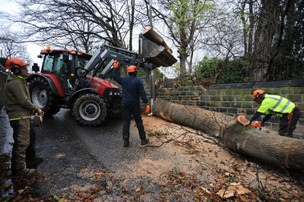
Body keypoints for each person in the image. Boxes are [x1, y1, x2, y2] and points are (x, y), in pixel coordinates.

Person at [4, 58, 43, 176]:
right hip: (19, 117)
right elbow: (23, 100)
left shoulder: (20, 81)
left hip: (23, 115)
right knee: (21, 143)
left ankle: (31, 159)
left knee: (31, 137)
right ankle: (19, 169)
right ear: (16, 70)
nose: (27, 70)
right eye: (24, 68)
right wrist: (36, 108)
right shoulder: (15, 83)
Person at [112, 60, 150, 147]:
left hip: (125, 104)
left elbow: (115, 76)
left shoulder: (123, 80)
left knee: (126, 122)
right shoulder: (138, 81)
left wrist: (115, 68)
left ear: (129, 72)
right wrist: (146, 102)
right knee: (139, 122)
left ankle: (126, 141)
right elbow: (142, 94)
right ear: (135, 72)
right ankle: (143, 139)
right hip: (135, 105)